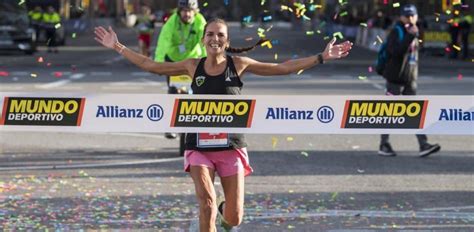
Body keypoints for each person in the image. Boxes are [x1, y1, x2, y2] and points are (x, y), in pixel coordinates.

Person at [94, 18, 352, 231]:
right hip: (198, 146)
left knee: (234, 217)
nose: (214, 39)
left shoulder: (238, 64)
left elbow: (283, 67)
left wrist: (321, 57)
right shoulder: (192, 66)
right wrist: (117, 46)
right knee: (205, 203)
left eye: (220, 35)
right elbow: (151, 65)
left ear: (227, 41)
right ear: (203, 40)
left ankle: (225, 215)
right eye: (210, 34)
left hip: (231, 146)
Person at [378, 4, 441, 158]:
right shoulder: (397, 31)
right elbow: (395, 52)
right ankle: (384, 144)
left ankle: (423, 144)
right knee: (390, 112)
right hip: (395, 78)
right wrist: (410, 37)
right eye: (407, 16)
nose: (410, 18)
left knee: (415, 112)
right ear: (401, 17)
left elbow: (413, 57)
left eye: (413, 15)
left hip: (409, 78)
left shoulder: (414, 31)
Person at [154, 0, 207, 139]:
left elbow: (205, 43)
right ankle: (170, 126)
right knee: (173, 93)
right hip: (173, 60)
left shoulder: (200, 21)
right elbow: (163, 41)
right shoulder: (172, 22)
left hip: (192, 60)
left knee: (199, 92)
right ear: (179, 11)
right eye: (184, 10)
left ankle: (198, 126)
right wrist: (158, 63)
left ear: (195, 12)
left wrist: (209, 62)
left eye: (190, 11)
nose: (187, 14)